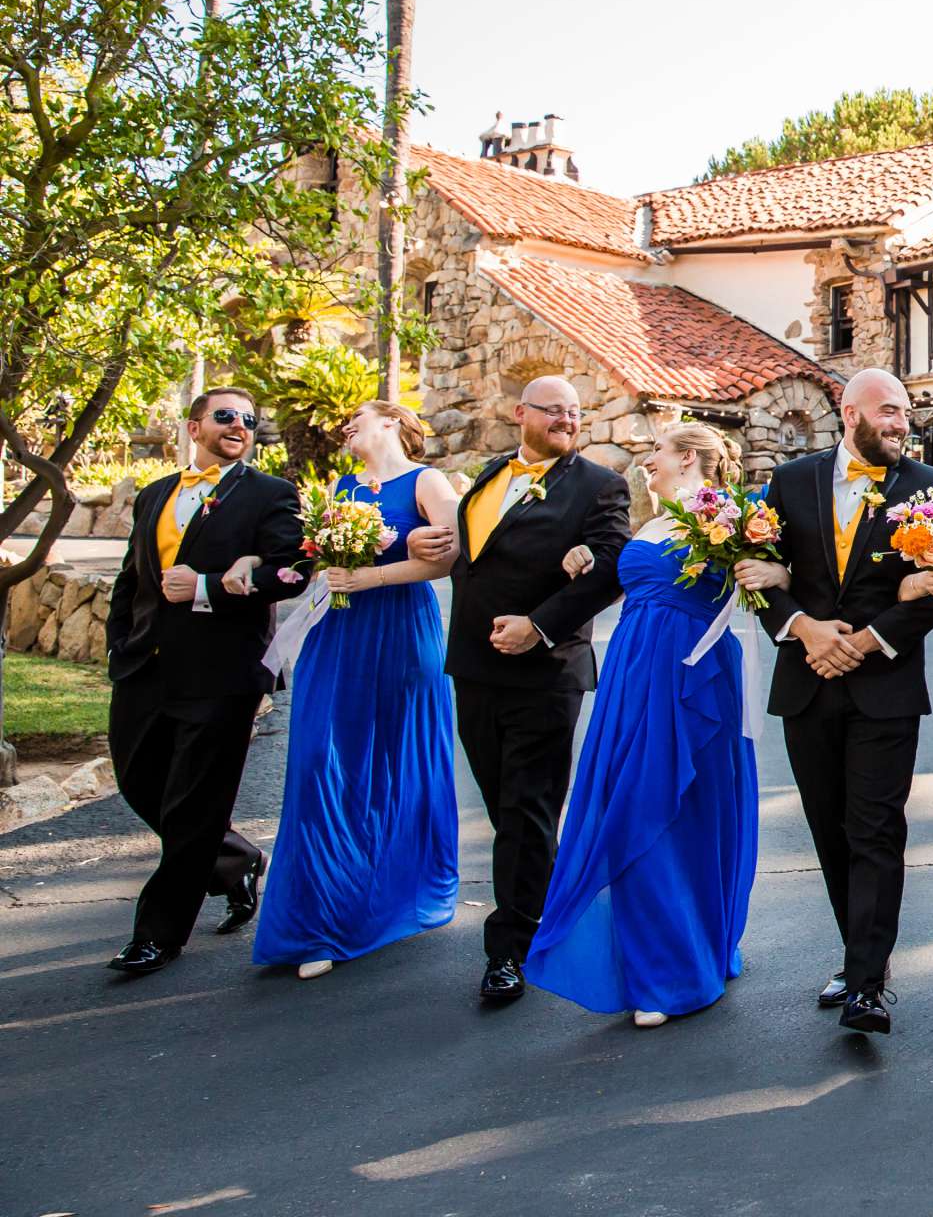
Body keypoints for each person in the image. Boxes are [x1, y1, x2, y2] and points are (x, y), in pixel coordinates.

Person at [733, 369, 933, 1038]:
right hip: (807, 681)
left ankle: (866, 982)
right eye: (887, 411)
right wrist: (806, 629)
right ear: (848, 411)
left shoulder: (931, 489)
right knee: (831, 831)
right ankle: (858, 955)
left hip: (885, 685)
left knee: (875, 829)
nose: (899, 423)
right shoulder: (789, 484)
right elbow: (758, 574)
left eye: (905, 413)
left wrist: (867, 641)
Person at [406, 375, 632, 1005]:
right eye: (554, 410)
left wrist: (540, 626)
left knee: (528, 808)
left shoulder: (598, 485)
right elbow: (471, 556)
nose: (566, 419)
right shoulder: (487, 475)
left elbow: (611, 567)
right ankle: (550, 905)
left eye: (575, 412)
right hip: (475, 669)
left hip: (544, 671)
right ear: (520, 413)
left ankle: (510, 946)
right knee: (505, 802)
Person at [526, 424, 761, 1027]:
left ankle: (674, 970)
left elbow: (753, 585)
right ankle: (655, 958)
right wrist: (580, 561)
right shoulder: (654, 521)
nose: (645, 461)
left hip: (688, 675)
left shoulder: (725, 517)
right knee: (624, 801)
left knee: (669, 807)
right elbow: (622, 579)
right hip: (634, 671)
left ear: (687, 458)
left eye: (655, 452)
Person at [253, 401, 461, 980]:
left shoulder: (428, 480)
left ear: (393, 422)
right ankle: (316, 912)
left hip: (397, 631)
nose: (346, 425)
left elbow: (452, 555)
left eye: (358, 417)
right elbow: (323, 566)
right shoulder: (342, 487)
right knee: (321, 762)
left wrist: (371, 574)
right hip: (336, 632)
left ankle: (368, 905)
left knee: (391, 762)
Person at [102, 386, 305, 976]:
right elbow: (130, 579)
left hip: (222, 674)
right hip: (145, 666)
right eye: (225, 416)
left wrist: (211, 586)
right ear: (194, 427)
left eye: (248, 418)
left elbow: (291, 571)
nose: (239, 425)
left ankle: (157, 935)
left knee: (194, 805)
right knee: (140, 782)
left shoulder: (271, 494)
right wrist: (121, 642)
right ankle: (235, 858)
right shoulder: (155, 494)